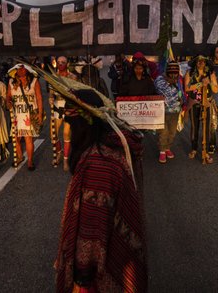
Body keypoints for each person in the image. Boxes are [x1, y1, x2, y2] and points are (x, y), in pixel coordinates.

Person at [55, 88, 147, 293]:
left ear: (84, 124)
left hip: (101, 275)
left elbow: (91, 233)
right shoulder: (109, 149)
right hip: (117, 260)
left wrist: (81, 278)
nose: (68, 133)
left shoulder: (98, 163)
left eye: (71, 125)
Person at [7, 64, 44, 171]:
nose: (21, 71)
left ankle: (30, 161)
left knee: (28, 139)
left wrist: (40, 114)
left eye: (23, 69)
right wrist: (8, 102)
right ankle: (19, 156)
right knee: (16, 138)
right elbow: (8, 96)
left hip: (29, 115)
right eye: (18, 69)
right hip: (17, 115)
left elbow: (39, 98)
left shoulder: (34, 82)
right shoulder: (11, 82)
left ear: (27, 70)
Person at [184, 55, 218, 162]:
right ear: (195, 62)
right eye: (198, 61)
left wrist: (210, 83)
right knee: (194, 127)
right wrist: (200, 83)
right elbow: (187, 88)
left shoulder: (210, 74)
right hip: (194, 103)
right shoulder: (189, 73)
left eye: (203, 61)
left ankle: (206, 151)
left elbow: (216, 89)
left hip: (207, 103)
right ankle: (194, 149)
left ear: (206, 63)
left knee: (207, 128)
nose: (201, 63)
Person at [154, 61, 184, 164]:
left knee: (172, 132)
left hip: (175, 111)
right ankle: (162, 151)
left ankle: (167, 148)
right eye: (172, 72)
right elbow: (160, 90)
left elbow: (181, 93)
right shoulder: (160, 80)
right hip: (162, 111)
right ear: (167, 72)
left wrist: (182, 99)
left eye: (176, 73)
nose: (174, 75)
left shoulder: (179, 80)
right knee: (163, 132)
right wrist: (169, 82)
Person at [50, 56, 76, 171]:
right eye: (59, 62)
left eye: (63, 62)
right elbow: (51, 92)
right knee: (53, 134)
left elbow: (76, 93)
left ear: (67, 64)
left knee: (66, 133)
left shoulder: (72, 77)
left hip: (68, 107)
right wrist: (50, 98)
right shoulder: (54, 77)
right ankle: (59, 152)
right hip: (57, 106)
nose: (60, 64)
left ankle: (66, 159)